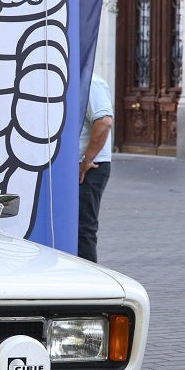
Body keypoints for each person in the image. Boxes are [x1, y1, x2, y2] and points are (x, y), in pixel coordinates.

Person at [78, 73, 114, 262]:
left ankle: (87, 283)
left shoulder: (91, 83)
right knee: (74, 228)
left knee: (83, 229)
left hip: (90, 168)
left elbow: (104, 122)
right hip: (78, 166)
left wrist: (86, 159)